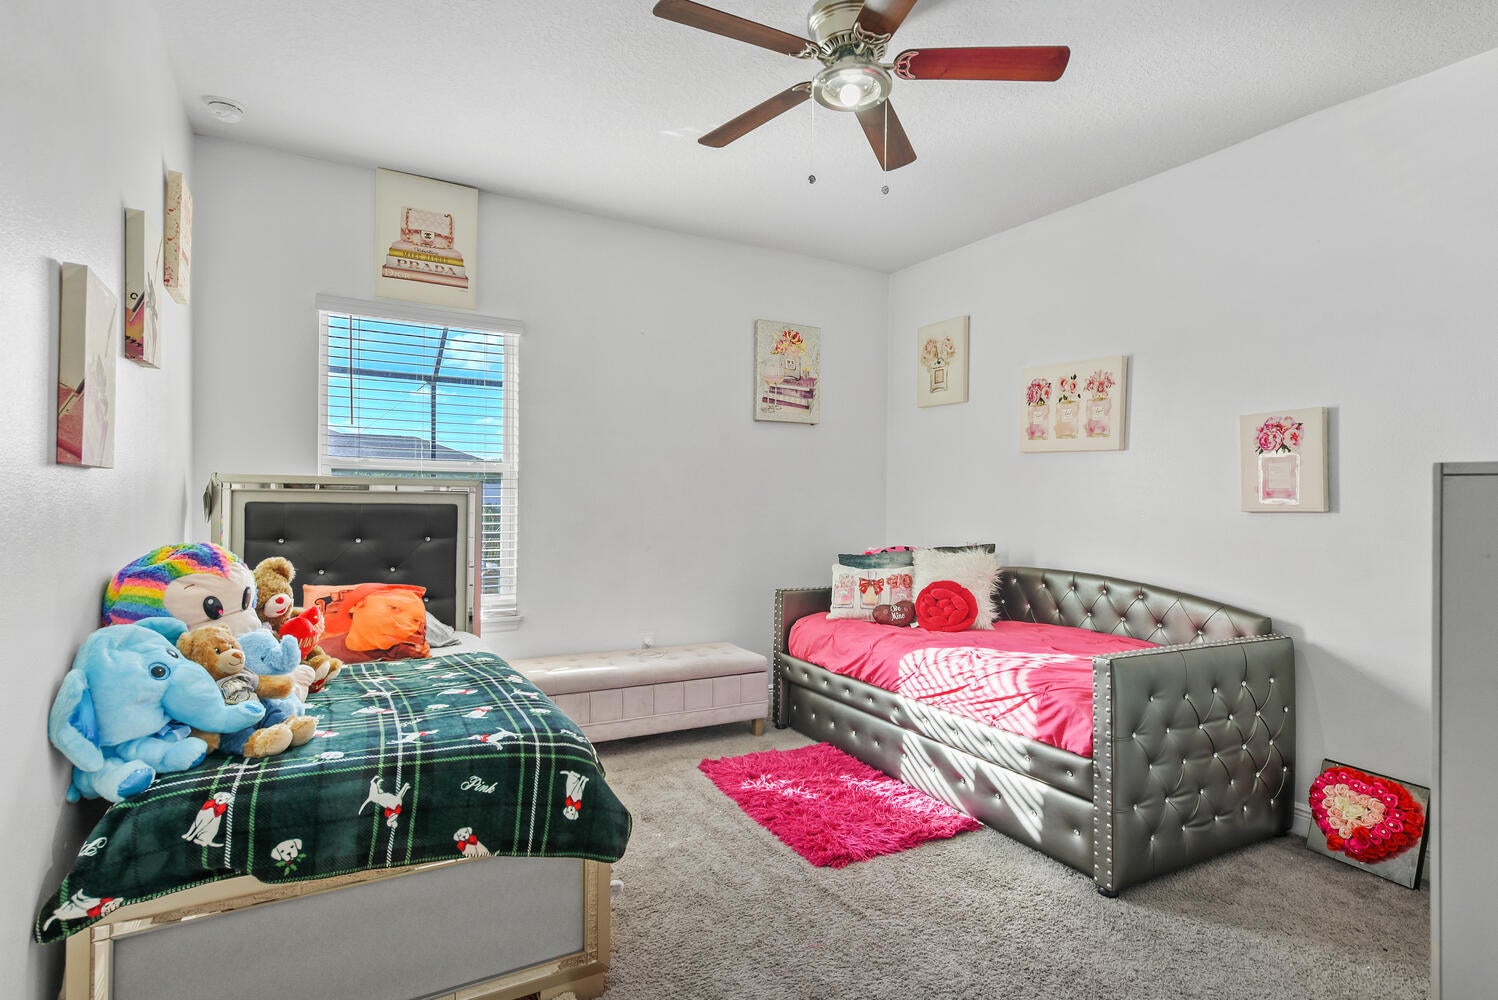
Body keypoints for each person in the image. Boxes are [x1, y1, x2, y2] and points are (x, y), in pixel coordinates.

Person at [317, 584, 429, 662]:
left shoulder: (408, 653)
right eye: (394, 608)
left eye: (416, 620)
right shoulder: (321, 648)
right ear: (356, 605)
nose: (405, 627)